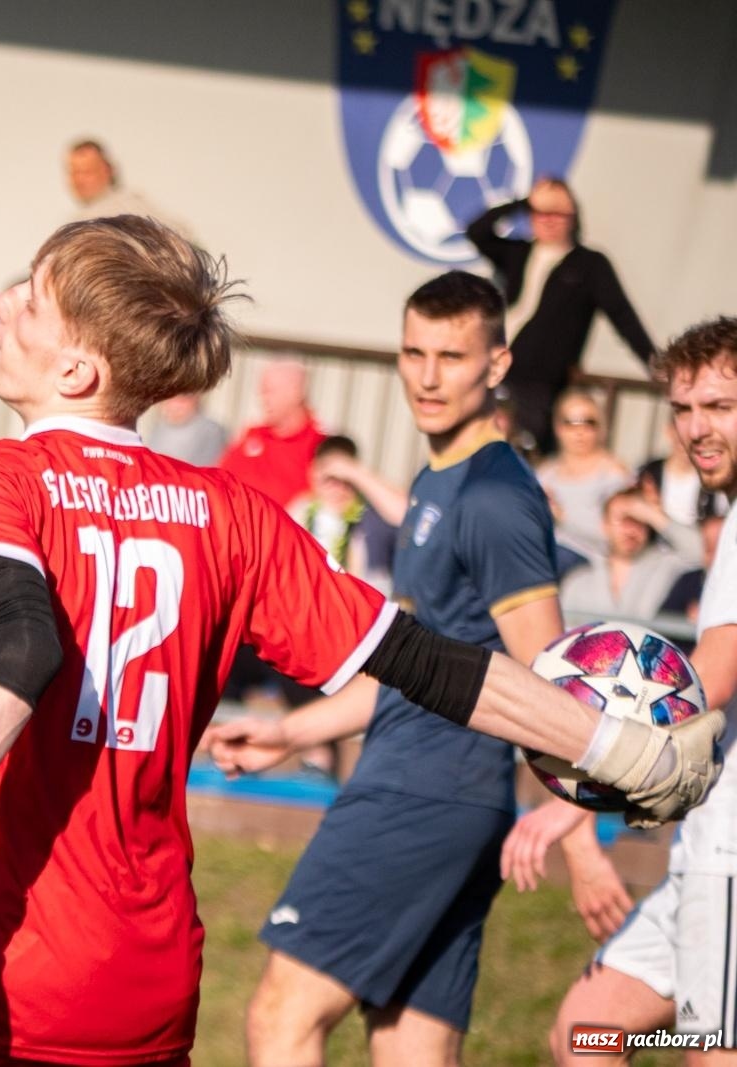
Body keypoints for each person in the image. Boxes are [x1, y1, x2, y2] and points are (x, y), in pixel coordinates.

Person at [0, 218, 719, 1067]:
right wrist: (614, 746)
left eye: (32, 297)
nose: (2, 304)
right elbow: (430, 662)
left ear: (77, 370)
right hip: (145, 985)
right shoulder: (232, 510)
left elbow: (24, 641)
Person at [203, 272, 602, 1065]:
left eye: (452, 356)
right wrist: (292, 731)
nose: (427, 376)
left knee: (281, 1016)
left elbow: (552, 685)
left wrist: (581, 835)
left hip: (423, 792)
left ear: (497, 364)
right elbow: (410, 665)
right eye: (415, 352)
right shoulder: (437, 479)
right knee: (410, 1047)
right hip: (446, 793)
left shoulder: (493, 496)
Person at [493, 317, 737, 1065]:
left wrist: (577, 797)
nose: (696, 428)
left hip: (730, 864)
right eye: (683, 408)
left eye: (720, 406)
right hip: (704, 852)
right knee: (587, 1032)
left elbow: (702, 683)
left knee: (711, 1050)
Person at [467, 178, 654, 455]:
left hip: (539, 386)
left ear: (573, 217)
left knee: (523, 457)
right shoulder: (518, 252)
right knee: (471, 447)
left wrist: (654, 362)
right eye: (541, 213)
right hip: (495, 372)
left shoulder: (589, 265)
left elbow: (622, 315)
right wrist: (525, 202)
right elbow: (477, 232)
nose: (549, 220)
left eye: (558, 213)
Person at [559, 488, 704, 622]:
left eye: (638, 521)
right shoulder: (579, 581)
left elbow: (703, 553)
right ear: (605, 525)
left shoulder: (667, 565)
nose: (630, 530)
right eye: (622, 521)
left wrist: (652, 514)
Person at [538, 388, 634, 567]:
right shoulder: (546, 473)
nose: (579, 431)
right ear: (557, 427)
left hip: (590, 563)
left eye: (588, 422)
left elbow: (619, 537)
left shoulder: (614, 475)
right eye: (570, 422)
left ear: (600, 427)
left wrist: (563, 518)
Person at [287, 434, 398, 587]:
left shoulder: (371, 519)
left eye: (344, 480)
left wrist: (354, 472)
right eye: (329, 479)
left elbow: (403, 514)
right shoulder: (300, 511)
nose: (337, 488)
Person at [218, 360, 325, 507]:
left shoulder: (319, 443)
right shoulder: (252, 435)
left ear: (296, 392)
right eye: (262, 392)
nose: (263, 400)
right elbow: (219, 480)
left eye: (269, 391)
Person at [65, 139, 194, 240]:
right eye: (74, 173)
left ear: (107, 171)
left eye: (86, 172)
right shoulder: (79, 219)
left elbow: (183, 234)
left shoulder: (126, 206)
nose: (79, 180)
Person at [146, 391, 227, 467]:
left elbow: (206, 467)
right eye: (169, 399)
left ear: (195, 399)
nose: (174, 406)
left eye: (181, 401)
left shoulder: (211, 431)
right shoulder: (160, 428)